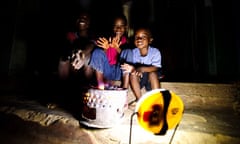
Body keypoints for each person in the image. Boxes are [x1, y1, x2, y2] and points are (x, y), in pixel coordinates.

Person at [85, 13, 130, 87]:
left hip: (119, 72)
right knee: (97, 52)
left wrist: (117, 48)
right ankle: (100, 85)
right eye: (116, 26)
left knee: (128, 53)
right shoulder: (106, 40)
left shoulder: (127, 42)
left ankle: (124, 87)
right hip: (107, 71)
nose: (118, 29)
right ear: (112, 27)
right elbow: (101, 59)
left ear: (125, 28)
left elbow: (128, 57)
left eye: (121, 26)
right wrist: (105, 49)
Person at [120, 27, 162, 101]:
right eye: (137, 37)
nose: (139, 39)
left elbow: (156, 67)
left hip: (151, 80)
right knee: (133, 75)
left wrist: (141, 69)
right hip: (140, 80)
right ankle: (139, 99)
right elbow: (133, 70)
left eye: (143, 37)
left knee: (152, 74)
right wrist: (135, 71)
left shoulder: (155, 52)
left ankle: (157, 99)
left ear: (150, 40)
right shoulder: (133, 52)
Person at [58, 11, 95, 82]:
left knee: (89, 58)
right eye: (80, 18)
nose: (82, 19)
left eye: (85, 18)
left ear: (89, 24)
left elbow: (92, 45)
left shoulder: (92, 36)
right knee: (63, 58)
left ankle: (87, 87)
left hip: (86, 67)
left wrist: (82, 54)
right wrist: (74, 54)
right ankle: (62, 86)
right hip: (72, 65)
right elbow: (67, 48)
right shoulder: (70, 35)